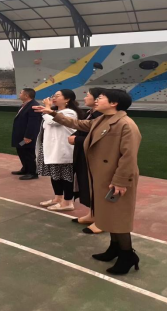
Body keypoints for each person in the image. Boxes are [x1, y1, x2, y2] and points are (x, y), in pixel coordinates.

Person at [34, 89, 142, 275]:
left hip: (116, 180)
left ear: (114, 103)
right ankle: (115, 248)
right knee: (108, 215)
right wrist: (53, 113)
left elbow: (129, 157)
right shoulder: (101, 120)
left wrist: (121, 181)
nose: (97, 100)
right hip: (102, 177)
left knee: (118, 218)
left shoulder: (126, 124)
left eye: (101, 98)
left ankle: (127, 255)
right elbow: (77, 123)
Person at [36, 90, 83, 212]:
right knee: (55, 175)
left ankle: (68, 202)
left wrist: (47, 108)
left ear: (67, 99)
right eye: (53, 96)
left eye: (57, 96)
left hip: (63, 150)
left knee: (66, 177)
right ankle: (58, 198)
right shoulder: (56, 112)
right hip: (51, 149)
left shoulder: (70, 112)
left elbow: (52, 121)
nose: (53, 98)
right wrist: (47, 110)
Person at [69, 88, 105, 234]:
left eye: (88, 95)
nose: (84, 98)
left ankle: (102, 221)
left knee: (96, 187)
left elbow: (100, 140)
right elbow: (81, 128)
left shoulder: (102, 117)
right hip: (84, 155)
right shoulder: (90, 114)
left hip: (95, 158)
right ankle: (92, 214)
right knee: (86, 184)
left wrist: (77, 139)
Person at [11, 88, 42, 180]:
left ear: (26, 95)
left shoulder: (33, 106)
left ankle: (32, 173)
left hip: (27, 137)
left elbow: (33, 123)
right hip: (21, 136)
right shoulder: (25, 105)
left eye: (21, 93)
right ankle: (25, 169)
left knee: (29, 153)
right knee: (21, 150)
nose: (19, 94)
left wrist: (28, 136)